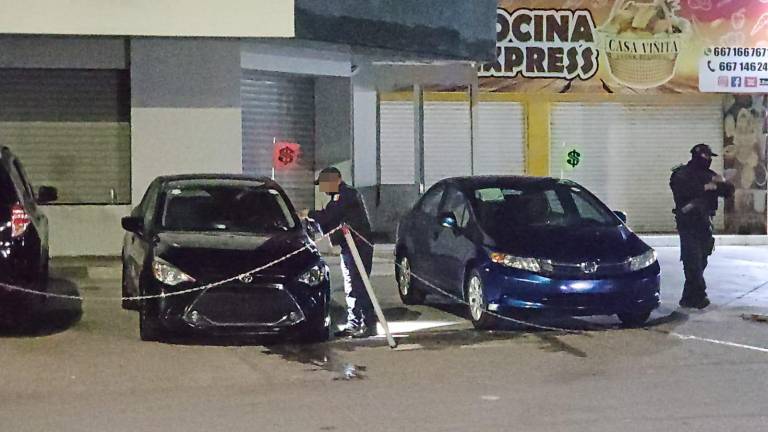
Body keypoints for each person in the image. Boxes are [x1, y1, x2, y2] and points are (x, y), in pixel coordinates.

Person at [299, 167, 376, 338]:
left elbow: (330, 215)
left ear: (335, 180)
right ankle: (354, 323)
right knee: (351, 286)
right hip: (348, 247)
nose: (322, 189)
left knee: (359, 285)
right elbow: (328, 221)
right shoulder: (338, 197)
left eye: (324, 184)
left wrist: (309, 214)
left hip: (358, 246)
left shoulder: (347, 194)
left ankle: (368, 323)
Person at [670, 144, 735, 309]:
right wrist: (704, 188)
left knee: (701, 259)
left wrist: (722, 182)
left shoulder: (710, 175)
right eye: (707, 157)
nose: (710, 160)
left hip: (705, 222)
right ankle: (700, 294)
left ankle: (688, 297)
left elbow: (728, 191)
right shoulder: (682, 174)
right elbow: (680, 189)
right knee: (692, 260)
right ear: (699, 156)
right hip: (688, 222)